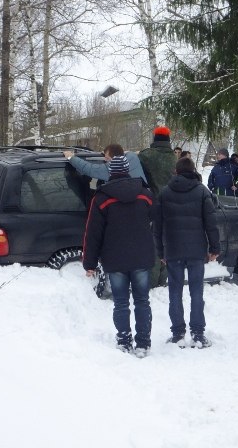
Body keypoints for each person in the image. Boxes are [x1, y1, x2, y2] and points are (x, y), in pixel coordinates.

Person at [82, 155, 155, 356]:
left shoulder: (102, 198)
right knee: (142, 300)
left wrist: (89, 262)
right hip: (141, 256)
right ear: (128, 170)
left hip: (115, 259)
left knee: (121, 302)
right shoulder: (146, 194)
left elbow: (92, 232)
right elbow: (157, 222)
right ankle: (143, 343)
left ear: (110, 172)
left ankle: (124, 340)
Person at [154, 157, 221, 349]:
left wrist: (161, 251)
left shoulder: (165, 193)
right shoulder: (201, 191)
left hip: (173, 250)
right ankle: (198, 334)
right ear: (193, 171)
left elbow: (157, 227)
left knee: (175, 292)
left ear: (176, 171)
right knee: (196, 292)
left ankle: (177, 333)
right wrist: (214, 248)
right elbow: (211, 223)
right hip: (196, 250)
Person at [138, 126, 175, 287]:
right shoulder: (174, 157)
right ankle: (163, 279)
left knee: (154, 244)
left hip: (153, 206)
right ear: (168, 140)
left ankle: (152, 282)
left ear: (155, 139)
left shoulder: (147, 155)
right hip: (173, 205)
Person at [63, 144, 147, 183]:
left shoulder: (111, 169)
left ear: (114, 158)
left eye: (107, 158)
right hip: (143, 205)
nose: (105, 160)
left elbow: (88, 168)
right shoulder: (133, 157)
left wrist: (71, 157)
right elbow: (128, 153)